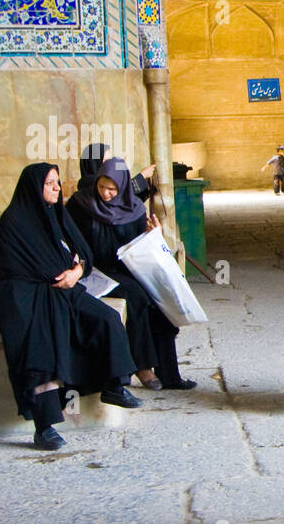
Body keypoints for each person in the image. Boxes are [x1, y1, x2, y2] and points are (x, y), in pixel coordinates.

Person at [0, 163, 142, 451]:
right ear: (34, 186)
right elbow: (28, 267)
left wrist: (76, 271)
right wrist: (63, 271)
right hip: (30, 295)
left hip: (66, 289)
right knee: (41, 345)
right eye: (50, 183)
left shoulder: (58, 215)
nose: (57, 188)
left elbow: (85, 253)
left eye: (58, 182)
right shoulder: (14, 221)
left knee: (107, 318)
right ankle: (44, 428)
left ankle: (113, 386)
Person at [68, 157, 197, 392]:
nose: (106, 194)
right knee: (138, 298)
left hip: (129, 268)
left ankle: (170, 374)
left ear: (123, 187)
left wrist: (154, 234)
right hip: (96, 270)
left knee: (161, 303)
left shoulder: (135, 209)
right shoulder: (81, 204)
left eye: (112, 189)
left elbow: (141, 246)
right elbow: (67, 237)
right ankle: (142, 367)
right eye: (101, 187)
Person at [79, 142, 154, 199]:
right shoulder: (88, 184)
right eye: (106, 160)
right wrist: (142, 176)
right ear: (94, 163)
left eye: (111, 160)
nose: (110, 164)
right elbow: (121, 193)